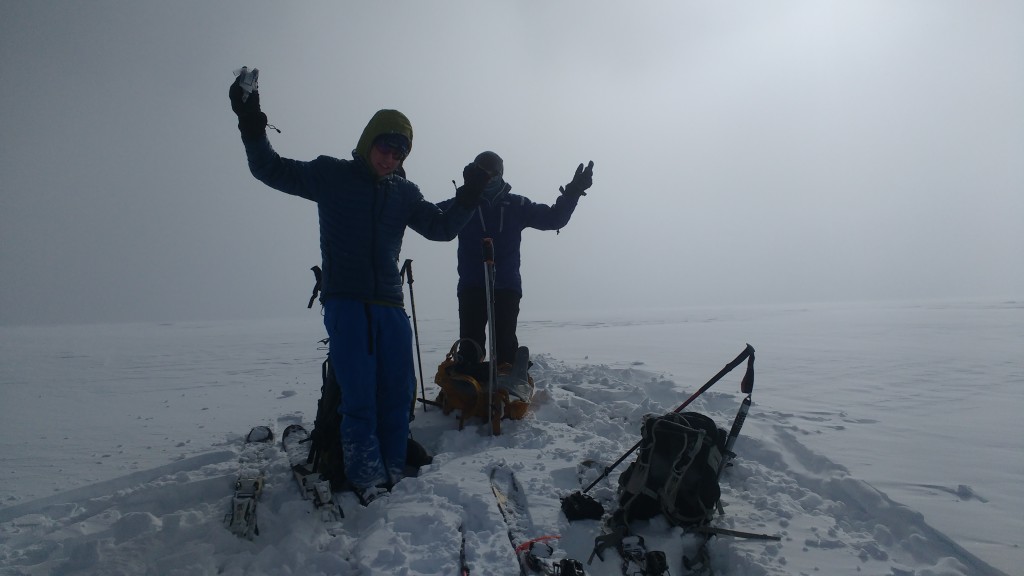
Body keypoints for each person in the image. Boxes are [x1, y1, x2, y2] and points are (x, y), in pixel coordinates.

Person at [229, 75, 490, 504]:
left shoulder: (405, 193)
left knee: (399, 392)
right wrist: (251, 123)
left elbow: (440, 229)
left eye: (400, 152)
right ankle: (366, 476)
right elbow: (269, 168)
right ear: (368, 142)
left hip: (389, 303)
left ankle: (392, 467)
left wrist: (469, 197)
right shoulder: (331, 174)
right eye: (386, 147)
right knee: (360, 393)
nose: (391, 158)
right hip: (346, 301)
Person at [438, 151, 594, 371]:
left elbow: (555, 218)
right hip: (472, 286)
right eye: (482, 174)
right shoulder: (461, 204)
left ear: (500, 174)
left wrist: (574, 191)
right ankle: (468, 392)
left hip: (506, 286)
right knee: (470, 346)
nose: (488, 179)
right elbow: (429, 217)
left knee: (506, 347)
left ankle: (507, 389)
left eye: (492, 174)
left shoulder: (516, 205)